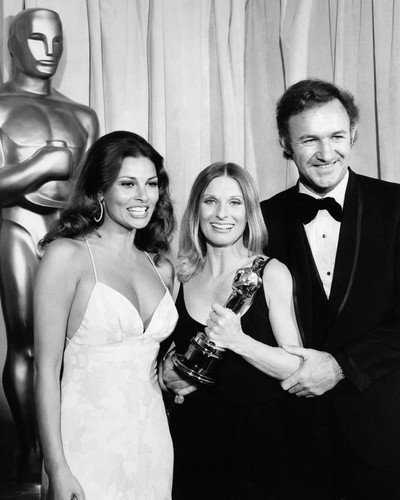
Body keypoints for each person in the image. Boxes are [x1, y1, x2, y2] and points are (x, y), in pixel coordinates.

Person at [261, 79, 400, 499]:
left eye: (337, 136)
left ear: (353, 134)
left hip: (381, 435)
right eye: (309, 140)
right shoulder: (259, 220)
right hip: (289, 439)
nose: (326, 153)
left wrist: (341, 366)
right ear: (285, 144)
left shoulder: (396, 206)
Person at [34, 131, 177, 500]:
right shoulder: (67, 256)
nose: (143, 196)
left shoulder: (161, 268)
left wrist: (174, 374)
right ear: (100, 191)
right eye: (128, 184)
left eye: (151, 184)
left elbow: (149, 366)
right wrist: (56, 467)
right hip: (85, 447)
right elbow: (45, 370)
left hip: (152, 444)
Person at [161, 162, 303, 500]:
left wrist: (238, 341)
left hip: (257, 441)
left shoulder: (270, 272)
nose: (222, 214)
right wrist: (167, 373)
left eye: (234, 202)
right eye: (210, 201)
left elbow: (296, 367)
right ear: (196, 209)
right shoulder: (181, 276)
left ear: (249, 211)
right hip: (191, 436)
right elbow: (164, 355)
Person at [0, 8, 99, 484]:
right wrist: (39, 167)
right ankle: (30, 450)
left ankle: (63, 445)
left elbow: (96, 189)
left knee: (70, 344)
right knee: (28, 345)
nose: (49, 51)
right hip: (18, 224)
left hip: (71, 233)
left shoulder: (82, 115)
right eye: (37, 40)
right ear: (13, 45)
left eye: (57, 41)